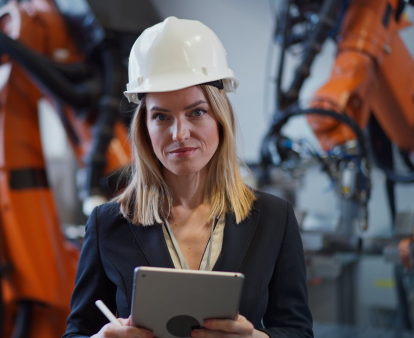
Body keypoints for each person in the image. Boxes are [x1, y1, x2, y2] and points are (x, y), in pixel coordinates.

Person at [63, 16, 313, 338]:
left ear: (220, 119)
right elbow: (77, 332)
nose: (179, 134)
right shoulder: (107, 223)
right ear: (144, 128)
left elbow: (298, 331)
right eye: (161, 116)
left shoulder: (274, 219)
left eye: (196, 112)